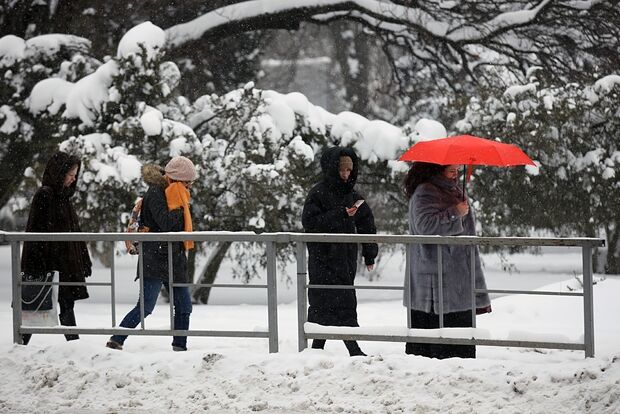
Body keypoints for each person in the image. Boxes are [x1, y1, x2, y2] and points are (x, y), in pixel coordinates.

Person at [106, 156, 196, 352]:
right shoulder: (156, 192)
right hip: (154, 257)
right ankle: (116, 339)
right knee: (146, 307)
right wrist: (181, 209)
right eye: (187, 182)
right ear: (176, 179)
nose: (190, 186)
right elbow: (165, 224)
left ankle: (180, 347)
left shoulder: (178, 193)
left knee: (184, 306)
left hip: (175, 258)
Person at [403, 162, 491, 359]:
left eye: (457, 170)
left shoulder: (450, 189)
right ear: (437, 170)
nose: (456, 174)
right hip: (438, 279)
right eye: (451, 170)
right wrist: (455, 213)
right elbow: (425, 226)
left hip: (455, 275)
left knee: (456, 334)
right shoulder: (426, 191)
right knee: (440, 337)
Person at [302, 147, 378, 357]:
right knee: (321, 301)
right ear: (331, 168)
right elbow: (310, 222)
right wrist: (341, 214)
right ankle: (319, 347)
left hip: (345, 261)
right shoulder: (317, 193)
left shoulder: (353, 196)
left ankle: (351, 348)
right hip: (322, 259)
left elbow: (367, 224)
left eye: (349, 171)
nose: (346, 175)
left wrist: (369, 253)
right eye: (342, 170)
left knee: (345, 302)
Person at [20, 151, 92, 345]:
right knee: (37, 305)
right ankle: (23, 343)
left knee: (64, 304)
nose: (73, 178)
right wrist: (38, 266)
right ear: (59, 173)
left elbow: (74, 233)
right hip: (50, 265)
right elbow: (36, 233)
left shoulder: (63, 198)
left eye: (75, 174)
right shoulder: (45, 195)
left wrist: (84, 260)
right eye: (70, 174)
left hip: (65, 265)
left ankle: (73, 343)